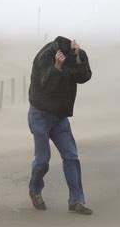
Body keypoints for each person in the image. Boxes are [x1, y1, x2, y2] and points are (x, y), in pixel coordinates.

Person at [27, 36, 93, 215]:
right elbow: (46, 87)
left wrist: (79, 57)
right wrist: (57, 66)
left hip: (60, 117)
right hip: (39, 115)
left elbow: (84, 77)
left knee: (71, 156)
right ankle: (34, 189)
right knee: (42, 160)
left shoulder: (75, 55)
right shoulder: (45, 56)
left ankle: (77, 201)